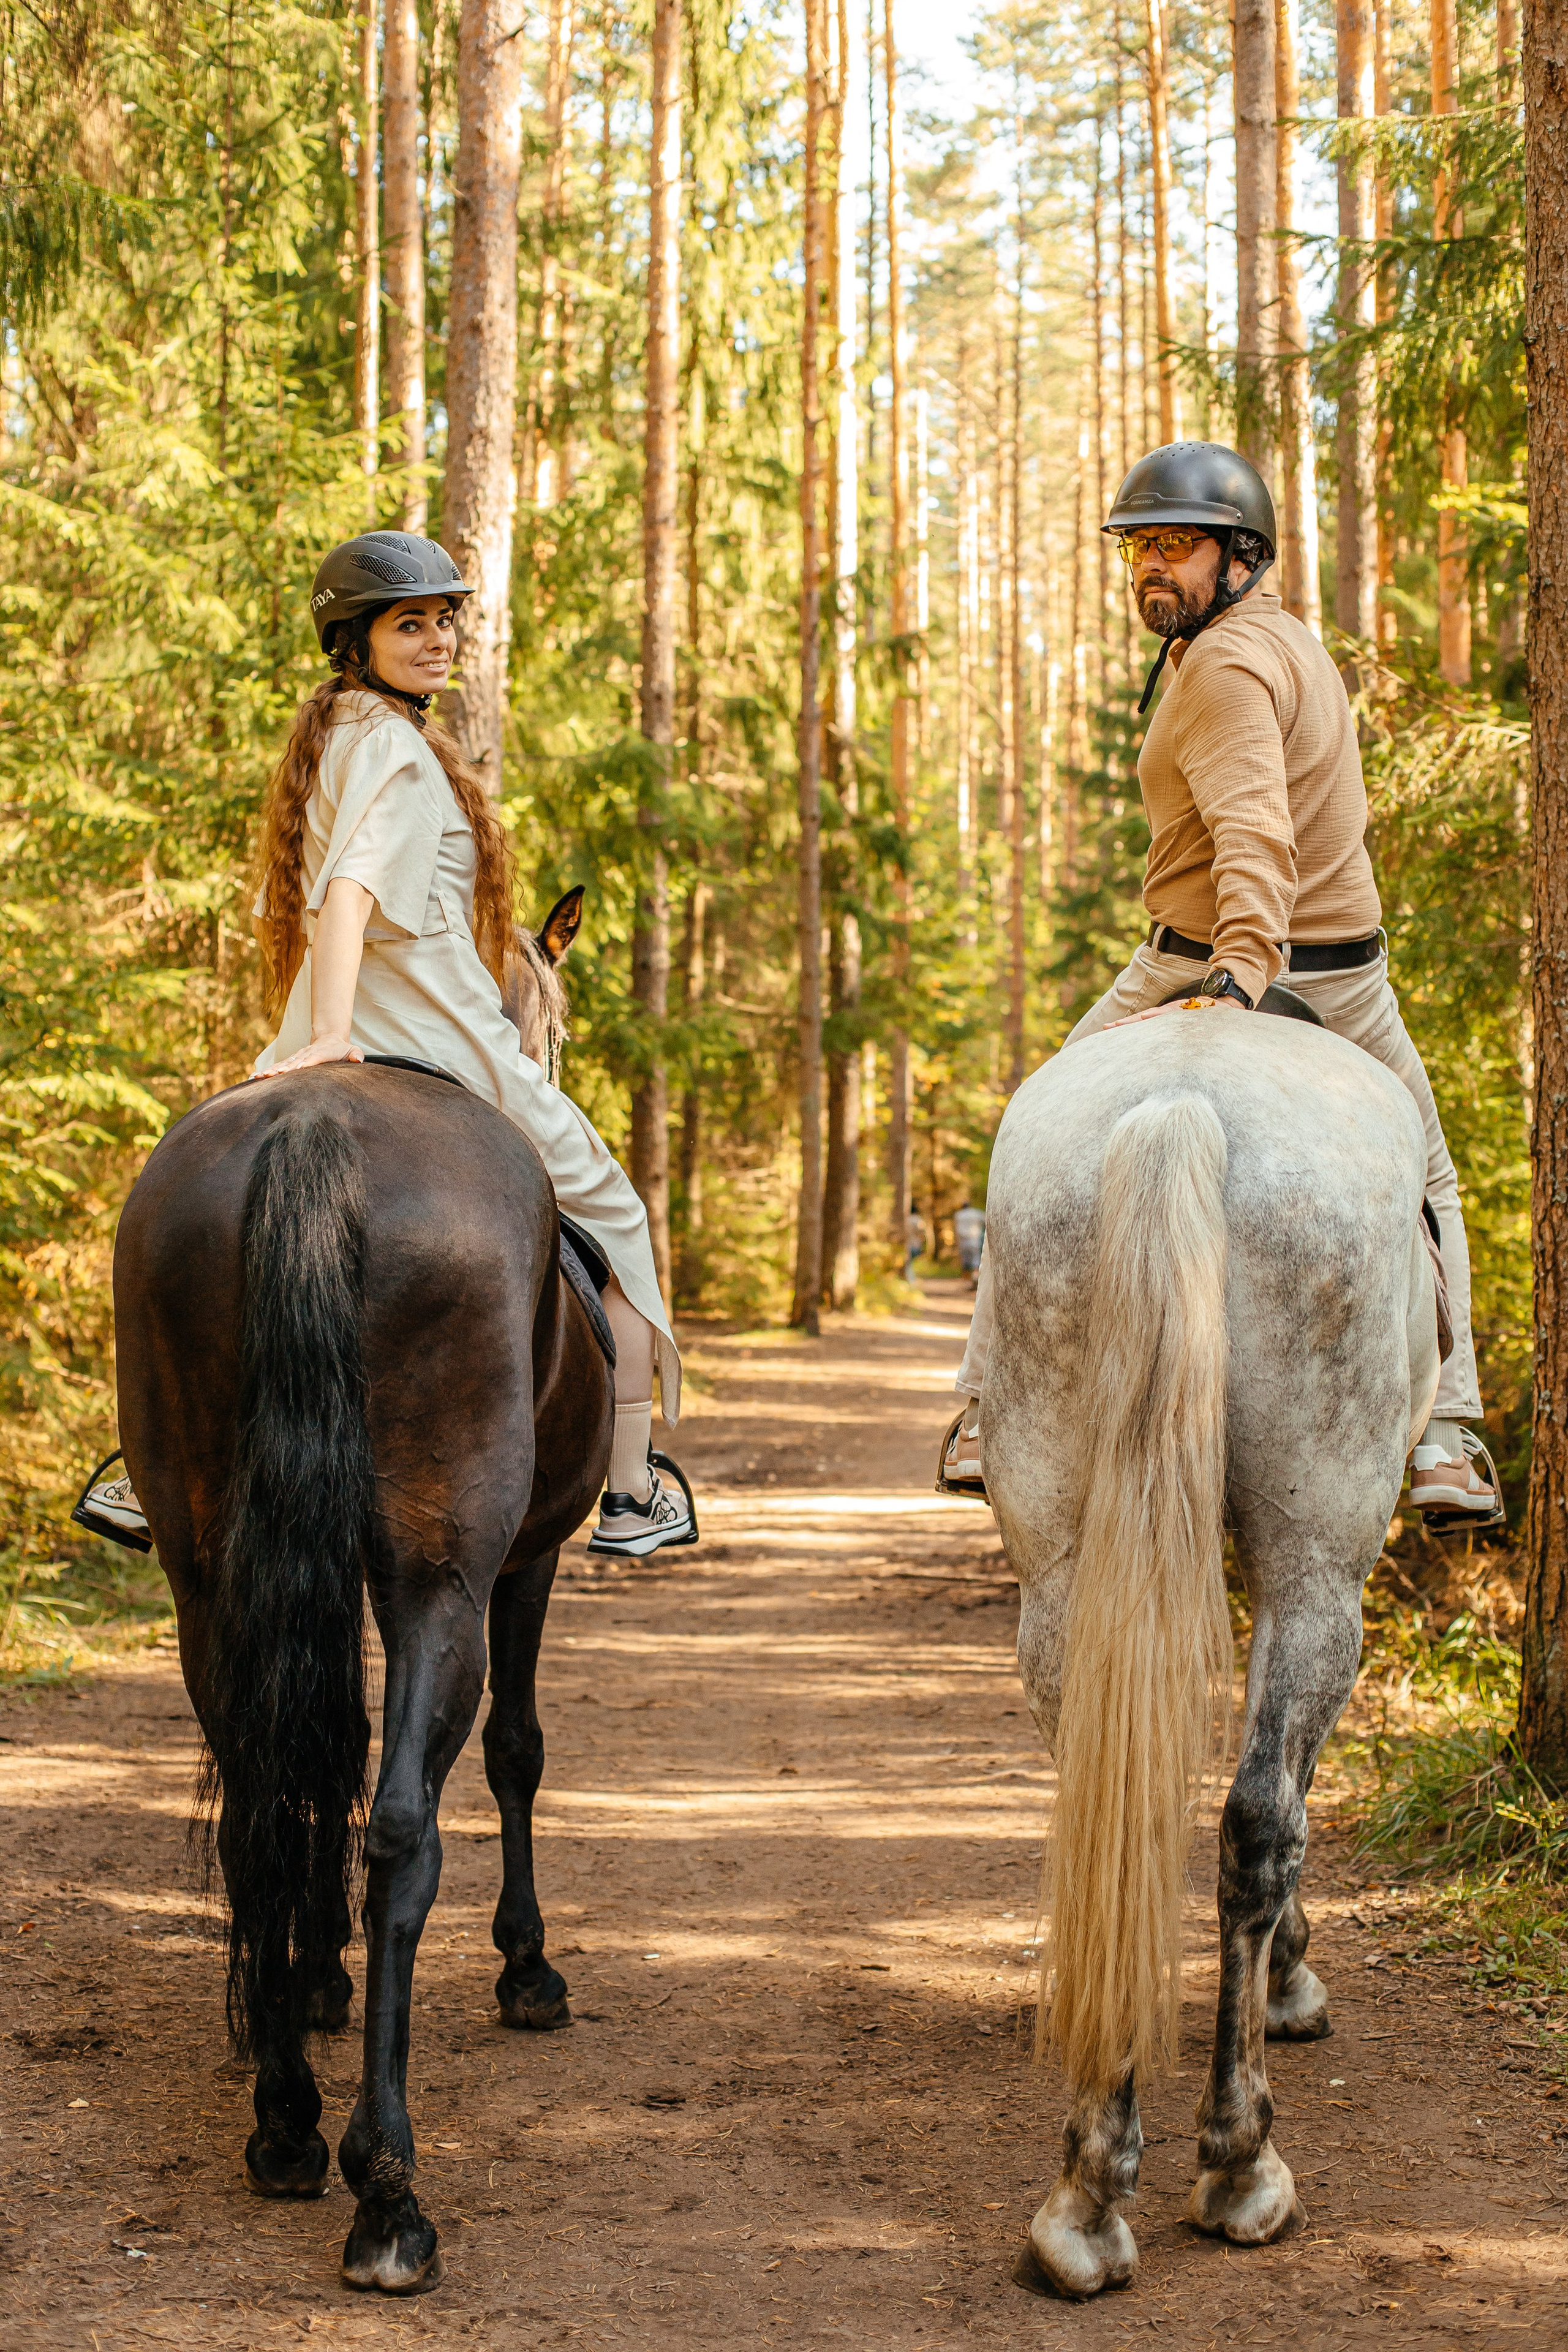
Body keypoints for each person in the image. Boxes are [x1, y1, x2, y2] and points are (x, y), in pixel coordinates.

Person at [80, 532, 694, 1561]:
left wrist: (318, 1029)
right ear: (355, 638)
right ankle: (633, 1489)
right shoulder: (400, 752)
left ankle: (148, 1470)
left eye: (446, 619)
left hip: (346, 1017)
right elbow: (350, 890)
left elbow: (314, 896)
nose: (439, 638)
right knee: (621, 1219)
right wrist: (331, 1034)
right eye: (411, 622)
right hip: (447, 1034)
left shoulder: (336, 738)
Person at [938, 442, 1499, 1531]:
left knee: (1031, 1127)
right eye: (1139, 547)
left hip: (1217, 961)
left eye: (1175, 547)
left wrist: (1241, 974)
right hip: (1350, 968)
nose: (1151, 568)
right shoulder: (1285, 641)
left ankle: (982, 1406)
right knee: (1429, 1179)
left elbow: (1258, 834)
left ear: (1238, 554)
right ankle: (1449, 1435)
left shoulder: (1228, 667)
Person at [954, 1202, 986, 1287]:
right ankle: (975, 1278)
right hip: (974, 1239)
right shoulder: (975, 1213)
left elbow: (956, 1229)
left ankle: (967, 1282)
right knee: (976, 1259)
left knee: (965, 1261)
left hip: (963, 1240)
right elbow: (986, 1220)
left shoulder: (959, 1215)